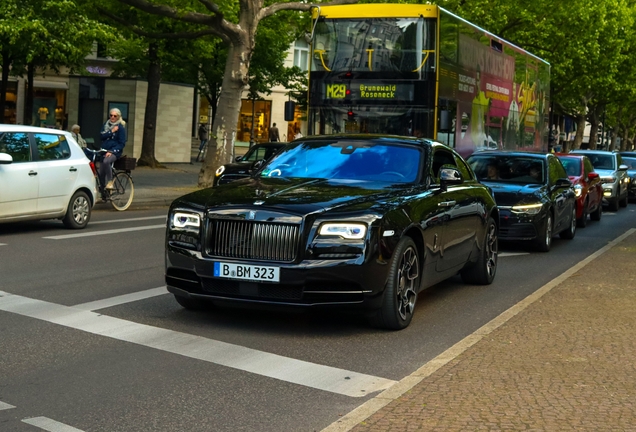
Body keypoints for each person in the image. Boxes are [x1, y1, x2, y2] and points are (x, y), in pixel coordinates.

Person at [99, 108, 126, 191]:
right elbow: (101, 136)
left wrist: (112, 151)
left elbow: (122, 143)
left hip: (114, 151)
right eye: (111, 115)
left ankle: (110, 182)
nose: (112, 117)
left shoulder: (120, 128)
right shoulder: (105, 125)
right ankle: (103, 194)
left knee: (106, 161)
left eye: (115, 116)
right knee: (101, 173)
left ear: (118, 117)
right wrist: (111, 131)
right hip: (104, 150)